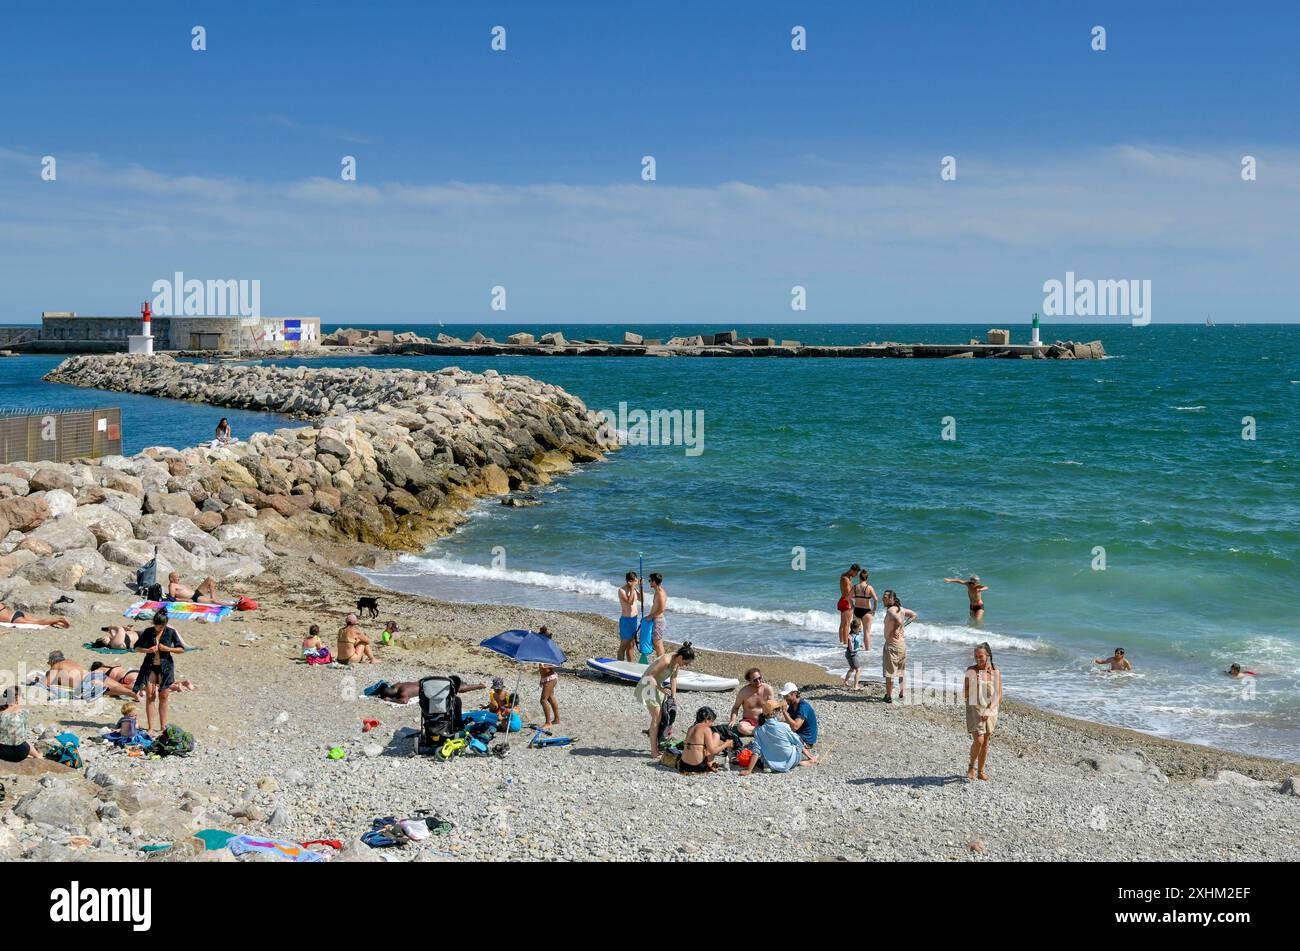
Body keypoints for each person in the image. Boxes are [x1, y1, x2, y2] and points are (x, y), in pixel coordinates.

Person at [636, 642, 696, 758]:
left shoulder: (676, 662)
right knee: (656, 717)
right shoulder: (666, 660)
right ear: (680, 657)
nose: (686, 665)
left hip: (657, 687)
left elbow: (673, 678)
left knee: (663, 716)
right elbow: (650, 676)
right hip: (648, 685)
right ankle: (654, 751)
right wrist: (662, 689)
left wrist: (674, 696)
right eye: (686, 663)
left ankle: (653, 734)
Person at [135, 609, 184, 732]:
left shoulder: (171, 632)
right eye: (156, 625)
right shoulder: (148, 632)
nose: (157, 628)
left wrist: (167, 648)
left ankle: (163, 726)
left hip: (165, 666)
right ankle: (151, 727)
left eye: (160, 626)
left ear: (165, 624)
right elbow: (136, 647)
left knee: (164, 695)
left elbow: (181, 649)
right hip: (150, 665)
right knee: (150, 696)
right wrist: (147, 650)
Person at [742, 699, 818, 774]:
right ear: (774, 713)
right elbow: (798, 742)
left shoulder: (758, 730)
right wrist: (810, 756)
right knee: (796, 741)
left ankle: (771, 765)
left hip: (771, 764)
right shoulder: (784, 726)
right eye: (779, 711)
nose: (781, 713)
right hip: (791, 761)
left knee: (765, 748)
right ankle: (804, 761)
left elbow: (756, 751)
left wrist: (749, 770)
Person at [964, 643, 1002, 782]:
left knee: (985, 742)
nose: (978, 659)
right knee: (978, 740)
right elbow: (965, 694)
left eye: (981, 657)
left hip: (991, 709)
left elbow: (999, 695)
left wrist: (990, 710)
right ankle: (971, 767)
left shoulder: (995, 671)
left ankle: (981, 771)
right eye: (976, 657)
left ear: (988, 656)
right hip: (975, 709)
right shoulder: (971, 671)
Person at [43, 650, 138, 700]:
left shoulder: (56, 666)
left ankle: (131, 693)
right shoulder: (69, 661)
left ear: (52, 661)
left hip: (87, 681)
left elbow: (45, 684)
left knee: (107, 690)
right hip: (94, 674)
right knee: (118, 686)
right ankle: (133, 690)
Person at [881, 589, 916, 703]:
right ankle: (901, 694)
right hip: (901, 645)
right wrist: (902, 626)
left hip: (892, 646)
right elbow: (914, 615)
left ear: (891, 599)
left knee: (889, 673)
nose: (883, 599)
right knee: (901, 671)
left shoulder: (891, 610)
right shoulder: (901, 609)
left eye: (885, 597)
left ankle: (889, 696)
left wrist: (897, 627)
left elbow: (898, 620)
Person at [678, 706, 734, 774]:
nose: (711, 724)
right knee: (716, 735)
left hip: (683, 765)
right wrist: (727, 744)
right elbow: (712, 751)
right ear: (707, 719)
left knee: (712, 742)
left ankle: (710, 762)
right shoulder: (706, 729)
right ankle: (710, 764)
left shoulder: (690, 728)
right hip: (697, 766)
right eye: (711, 721)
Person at [729, 667, 775, 736]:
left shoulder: (767, 689)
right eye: (755, 680)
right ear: (749, 681)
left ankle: (759, 732)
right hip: (749, 721)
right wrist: (733, 720)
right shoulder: (743, 692)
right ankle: (764, 732)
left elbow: (773, 707)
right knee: (741, 727)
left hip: (764, 719)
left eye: (760, 678)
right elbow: (736, 707)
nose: (758, 681)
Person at [375, 677, 485, 704]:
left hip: (429, 687)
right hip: (425, 682)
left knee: (456, 689)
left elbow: (404, 701)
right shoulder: (398, 685)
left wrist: (390, 700)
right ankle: (470, 684)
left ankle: (479, 686)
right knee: (451, 683)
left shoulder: (403, 692)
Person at [0, 685, 39, 762]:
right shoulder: (21, 713)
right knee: (21, 741)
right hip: (19, 753)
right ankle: (37, 755)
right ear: (17, 698)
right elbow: (23, 738)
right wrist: (37, 755)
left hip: (2, 751)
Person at [167, 571, 238, 607]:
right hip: (194, 598)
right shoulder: (172, 585)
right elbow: (172, 599)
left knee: (210, 579)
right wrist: (186, 600)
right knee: (213, 601)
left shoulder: (177, 585)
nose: (178, 578)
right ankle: (232, 605)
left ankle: (214, 597)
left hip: (196, 593)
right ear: (171, 578)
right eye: (176, 577)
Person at [537, 625, 560, 728]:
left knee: (543, 700)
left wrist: (545, 666)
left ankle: (548, 722)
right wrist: (542, 678)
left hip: (550, 678)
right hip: (547, 678)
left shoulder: (548, 650)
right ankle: (557, 719)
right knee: (550, 698)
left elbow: (556, 664)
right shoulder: (544, 650)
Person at [617, 571, 642, 663]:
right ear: (629, 581)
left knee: (631, 645)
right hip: (626, 620)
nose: (636, 582)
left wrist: (640, 586)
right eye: (634, 581)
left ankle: (630, 664)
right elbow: (630, 602)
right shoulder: (622, 590)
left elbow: (642, 599)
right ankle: (620, 665)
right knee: (623, 645)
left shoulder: (635, 589)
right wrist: (632, 588)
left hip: (634, 619)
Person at [644, 573, 668, 662]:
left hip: (659, 621)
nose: (649, 582)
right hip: (656, 620)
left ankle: (663, 664)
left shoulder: (660, 593)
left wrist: (650, 616)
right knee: (656, 643)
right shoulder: (657, 591)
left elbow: (661, 609)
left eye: (650, 581)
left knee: (658, 644)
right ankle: (661, 662)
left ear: (654, 581)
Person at [851, 568, 878, 645]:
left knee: (856, 632)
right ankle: (867, 651)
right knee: (867, 633)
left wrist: (852, 605)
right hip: (866, 611)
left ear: (859, 577)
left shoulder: (855, 587)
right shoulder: (869, 587)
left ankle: (856, 648)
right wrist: (874, 610)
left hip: (856, 610)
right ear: (867, 578)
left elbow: (848, 597)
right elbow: (876, 599)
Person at [0, 601, 71, 629]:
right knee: (39, 620)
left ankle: (59, 619)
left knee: (38, 622)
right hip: (16, 613)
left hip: (13, 618)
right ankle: (59, 623)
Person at [837, 564, 860, 645]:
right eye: (856, 573)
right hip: (847, 601)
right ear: (853, 571)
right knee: (846, 624)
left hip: (843, 600)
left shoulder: (845, 576)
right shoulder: (846, 579)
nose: (856, 575)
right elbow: (848, 594)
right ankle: (846, 643)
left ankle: (841, 642)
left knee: (843, 623)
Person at [843, 618, 864, 689]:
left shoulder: (857, 633)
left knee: (852, 668)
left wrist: (860, 645)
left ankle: (845, 682)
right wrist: (859, 649)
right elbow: (851, 649)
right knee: (858, 669)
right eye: (859, 627)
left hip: (852, 654)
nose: (860, 628)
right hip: (851, 654)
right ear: (854, 628)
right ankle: (856, 686)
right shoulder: (850, 636)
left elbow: (858, 641)